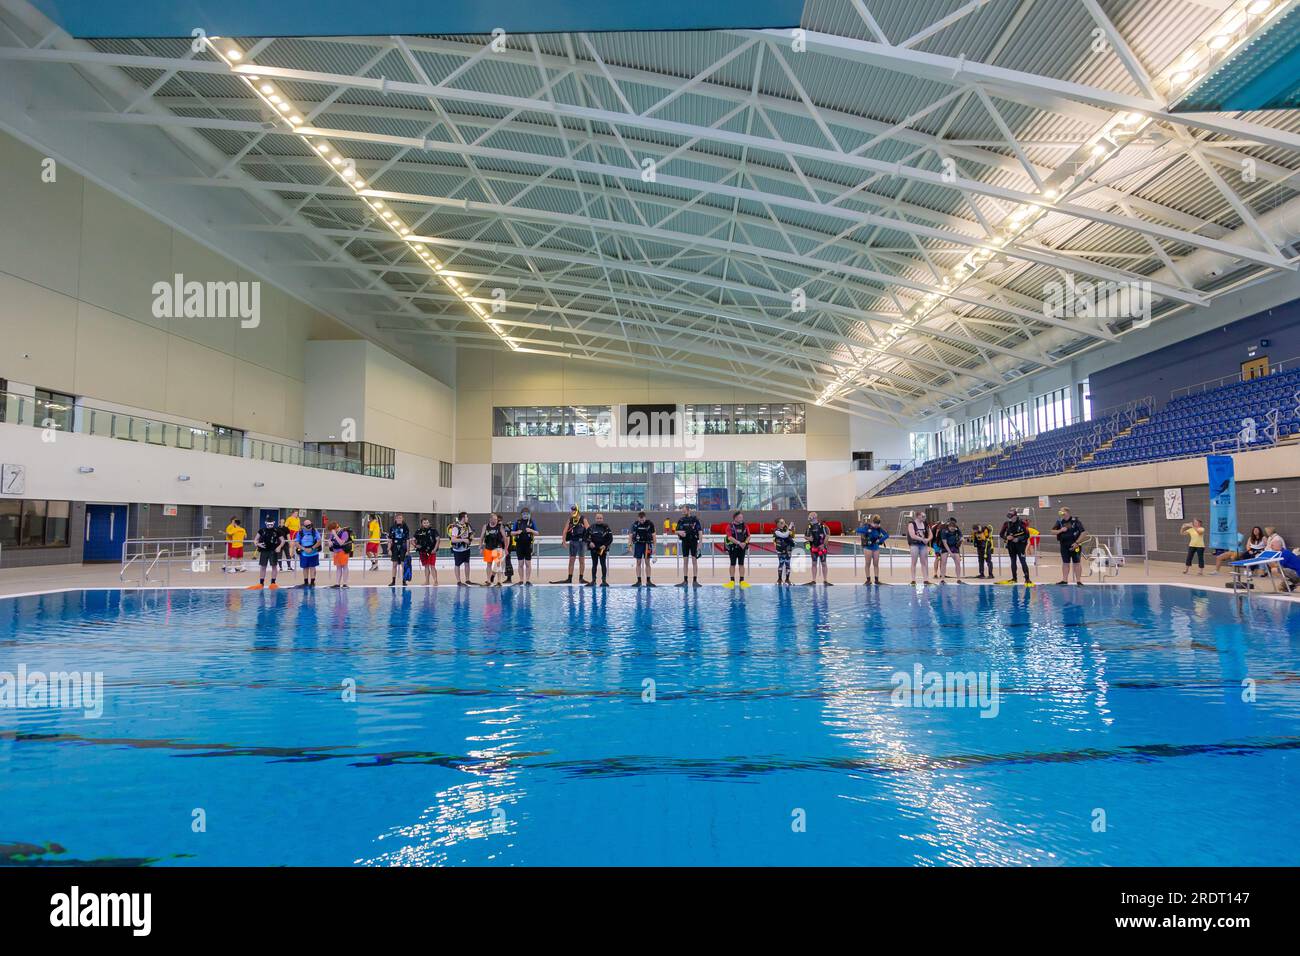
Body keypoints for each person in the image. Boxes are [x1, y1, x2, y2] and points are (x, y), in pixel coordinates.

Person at [554, 506, 589, 584]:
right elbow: (565, 531)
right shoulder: (570, 520)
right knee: (571, 561)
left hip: (581, 543)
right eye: (571, 511)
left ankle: (581, 578)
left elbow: (589, 530)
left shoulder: (583, 519)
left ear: (577, 511)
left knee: (582, 561)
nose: (572, 512)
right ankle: (569, 578)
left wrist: (588, 542)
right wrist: (564, 541)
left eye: (574, 510)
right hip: (573, 542)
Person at [1052, 507, 1086, 585]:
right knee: (1065, 563)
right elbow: (1052, 531)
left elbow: (1083, 533)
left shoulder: (1075, 521)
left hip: (1075, 546)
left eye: (1062, 512)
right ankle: (1064, 580)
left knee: (1077, 563)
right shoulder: (1059, 522)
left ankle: (1078, 581)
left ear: (1067, 512)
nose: (1061, 513)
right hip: (1064, 546)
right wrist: (1060, 530)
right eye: (1060, 512)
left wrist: (1077, 543)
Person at [249, 516, 283, 590]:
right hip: (264, 550)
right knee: (263, 566)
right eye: (268, 524)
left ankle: (273, 582)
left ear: (274, 523)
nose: (270, 526)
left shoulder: (277, 531)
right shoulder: (262, 530)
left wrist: (279, 547)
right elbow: (255, 540)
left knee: (274, 566)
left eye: (271, 524)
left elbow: (282, 541)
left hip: (273, 551)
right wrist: (258, 544)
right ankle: (261, 583)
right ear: (265, 523)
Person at [999, 510, 1032, 585]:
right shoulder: (1006, 524)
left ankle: (1027, 579)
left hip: (1020, 545)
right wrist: (1006, 537)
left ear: (1016, 516)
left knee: (1023, 561)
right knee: (1013, 561)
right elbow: (1001, 534)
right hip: (1011, 545)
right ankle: (1014, 578)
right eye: (1009, 517)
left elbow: (1027, 535)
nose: (1010, 519)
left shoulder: (1022, 523)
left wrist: (1018, 539)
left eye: (1012, 517)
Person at [854, 514, 888, 585]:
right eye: (875, 524)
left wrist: (880, 540)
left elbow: (886, 535)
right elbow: (858, 530)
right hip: (868, 548)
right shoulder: (867, 527)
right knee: (868, 563)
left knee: (876, 564)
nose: (876, 525)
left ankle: (876, 580)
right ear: (873, 522)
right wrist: (861, 530)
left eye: (878, 524)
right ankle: (868, 579)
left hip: (876, 548)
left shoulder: (879, 528)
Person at [675, 504, 703, 587]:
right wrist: (680, 532)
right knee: (685, 561)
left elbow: (700, 532)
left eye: (684, 511)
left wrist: (700, 543)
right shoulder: (681, 520)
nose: (683, 512)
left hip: (693, 541)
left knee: (694, 560)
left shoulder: (695, 520)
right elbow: (676, 531)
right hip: (685, 542)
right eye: (682, 511)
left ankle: (695, 580)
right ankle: (685, 580)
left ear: (688, 510)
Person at [804, 511, 832, 586]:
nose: (809, 517)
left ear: (814, 516)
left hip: (822, 548)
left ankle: (825, 580)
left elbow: (827, 535)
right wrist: (809, 538)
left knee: (823, 563)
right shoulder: (809, 526)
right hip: (813, 548)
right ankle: (813, 580)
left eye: (810, 516)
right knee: (814, 563)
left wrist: (823, 544)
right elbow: (805, 536)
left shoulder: (822, 526)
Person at [510, 509, 537, 586]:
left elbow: (537, 533)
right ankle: (521, 580)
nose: (525, 515)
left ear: (529, 514)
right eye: (524, 513)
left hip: (528, 545)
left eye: (527, 514)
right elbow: (511, 533)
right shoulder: (517, 522)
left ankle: (527, 580)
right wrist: (517, 532)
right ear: (521, 514)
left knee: (528, 564)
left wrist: (531, 530)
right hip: (519, 545)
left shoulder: (531, 522)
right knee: (520, 564)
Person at [630, 510, 657, 586]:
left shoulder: (650, 524)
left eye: (643, 519)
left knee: (647, 562)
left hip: (647, 545)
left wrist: (655, 547)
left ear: (645, 518)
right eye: (640, 519)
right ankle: (639, 581)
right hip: (638, 545)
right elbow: (631, 535)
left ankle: (648, 581)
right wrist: (629, 545)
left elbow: (654, 535)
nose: (642, 521)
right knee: (638, 562)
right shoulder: (635, 524)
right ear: (638, 518)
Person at [724, 510, 751, 589]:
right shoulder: (730, 526)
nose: (741, 518)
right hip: (733, 548)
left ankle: (742, 581)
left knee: (741, 564)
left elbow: (749, 536)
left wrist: (745, 543)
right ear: (735, 518)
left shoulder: (745, 526)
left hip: (742, 548)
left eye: (742, 517)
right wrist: (739, 543)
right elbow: (729, 537)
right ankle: (732, 581)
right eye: (740, 517)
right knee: (732, 564)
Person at [586, 512, 614, 587]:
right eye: (598, 518)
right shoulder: (591, 527)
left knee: (603, 564)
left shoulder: (606, 527)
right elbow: (586, 537)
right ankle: (593, 580)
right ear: (595, 519)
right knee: (594, 564)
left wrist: (605, 545)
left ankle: (604, 581)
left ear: (602, 519)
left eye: (600, 518)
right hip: (594, 549)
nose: (599, 520)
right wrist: (590, 543)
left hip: (602, 549)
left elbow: (610, 539)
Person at [481, 513, 507, 587]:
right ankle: (489, 581)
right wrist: (480, 547)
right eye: (494, 519)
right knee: (488, 565)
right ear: (490, 519)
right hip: (488, 548)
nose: (496, 521)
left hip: (497, 548)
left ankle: (499, 581)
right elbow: (482, 537)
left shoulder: (500, 526)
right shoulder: (486, 526)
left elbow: (505, 537)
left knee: (498, 564)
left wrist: (505, 548)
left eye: (496, 519)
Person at [449, 512, 474, 586]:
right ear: (463, 518)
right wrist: (463, 540)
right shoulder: (456, 527)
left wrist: (470, 538)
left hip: (466, 549)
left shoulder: (467, 525)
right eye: (466, 517)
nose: (467, 518)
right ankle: (458, 581)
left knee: (467, 564)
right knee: (457, 565)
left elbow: (471, 534)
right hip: (458, 550)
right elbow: (453, 540)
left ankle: (467, 580)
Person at [387, 513, 411, 588]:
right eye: (398, 518)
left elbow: (407, 539)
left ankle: (404, 581)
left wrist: (408, 550)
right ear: (395, 519)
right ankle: (393, 581)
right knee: (394, 564)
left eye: (400, 518)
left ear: (402, 519)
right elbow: (390, 539)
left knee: (403, 565)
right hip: (394, 547)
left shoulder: (405, 527)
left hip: (403, 547)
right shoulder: (392, 527)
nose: (399, 519)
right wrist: (389, 549)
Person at [296, 518, 322, 588]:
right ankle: (306, 582)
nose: (309, 527)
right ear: (304, 526)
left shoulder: (314, 531)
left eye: (310, 525)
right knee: (305, 567)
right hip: (304, 553)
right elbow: (297, 543)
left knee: (312, 567)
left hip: (313, 552)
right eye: (307, 526)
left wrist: (312, 548)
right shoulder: (300, 532)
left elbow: (319, 541)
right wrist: (304, 549)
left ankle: (312, 582)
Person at [937, 517, 964, 583]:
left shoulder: (956, 529)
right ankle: (942, 579)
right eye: (951, 529)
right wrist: (950, 553)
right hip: (945, 546)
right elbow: (944, 543)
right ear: (949, 527)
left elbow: (961, 536)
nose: (952, 530)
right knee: (944, 562)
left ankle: (958, 579)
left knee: (957, 562)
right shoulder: (944, 530)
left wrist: (961, 539)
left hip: (954, 546)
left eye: (953, 529)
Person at [905, 513, 930, 585]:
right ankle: (913, 580)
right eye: (923, 516)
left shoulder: (925, 524)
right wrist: (923, 539)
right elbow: (912, 535)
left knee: (924, 562)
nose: (924, 517)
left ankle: (925, 579)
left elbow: (930, 534)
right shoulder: (911, 524)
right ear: (918, 516)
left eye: (925, 516)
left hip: (923, 545)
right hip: (914, 545)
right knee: (914, 562)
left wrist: (928, 539)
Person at [414, 517, 439, 587]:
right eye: (424, 523)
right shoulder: (418, 531)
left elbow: (438, 539)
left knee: (432, 566)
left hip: (431, 551)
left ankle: (435, 580)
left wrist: (435, 548)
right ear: (421, 524)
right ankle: (427, 581)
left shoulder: (433, 531)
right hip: (422, 552)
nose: (426, 524)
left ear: (429, 523)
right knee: (426, 566)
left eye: (427, 522)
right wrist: (416, 545)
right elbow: (413, 540)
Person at [328, 522, 352, 588]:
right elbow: (330, 540)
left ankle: (345, 583)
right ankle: (337, 583)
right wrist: (329, 542)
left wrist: (335, 535)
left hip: (343, 551)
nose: (331, 532)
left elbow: (341, 543)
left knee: (344, 566)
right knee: (338, 567)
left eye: (331, 530)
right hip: (336, 552)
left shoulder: (344, 533)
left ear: (335, 528)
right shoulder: (332, 533)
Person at [773, 518, 796, 585]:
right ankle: (779, 579)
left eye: (784, 522)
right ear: (777, 524)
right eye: (781, 522)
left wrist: (793, 528)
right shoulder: (776, 531)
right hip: (780, 550)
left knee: (787, 564)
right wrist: (789, 527)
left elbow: (793, 536)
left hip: (788, 549)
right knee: (781, 563)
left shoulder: (787, 530)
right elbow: (784, 535)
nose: (783, 523)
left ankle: (787, 579)